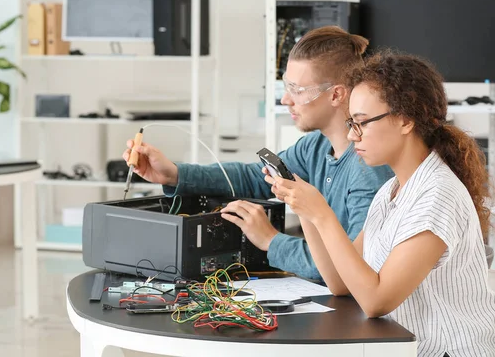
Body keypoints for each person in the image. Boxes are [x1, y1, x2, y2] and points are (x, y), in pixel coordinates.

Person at [240, 50, 495, 356]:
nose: (351, 134)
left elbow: (375, 301)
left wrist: (323, 215)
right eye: (350, 122)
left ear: (404, 120)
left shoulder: (437, 196)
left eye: (361, 123)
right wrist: (304, 209)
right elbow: (338, 282)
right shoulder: (392, 190)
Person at [123, 26, 394, 281]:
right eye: (286, 87)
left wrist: (270, 240)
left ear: (336, 95)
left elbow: (349, 269)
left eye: (296, 90)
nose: (285, 100)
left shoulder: (369, 169)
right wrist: (173, 174)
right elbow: (256, 177)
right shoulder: (315, 146)